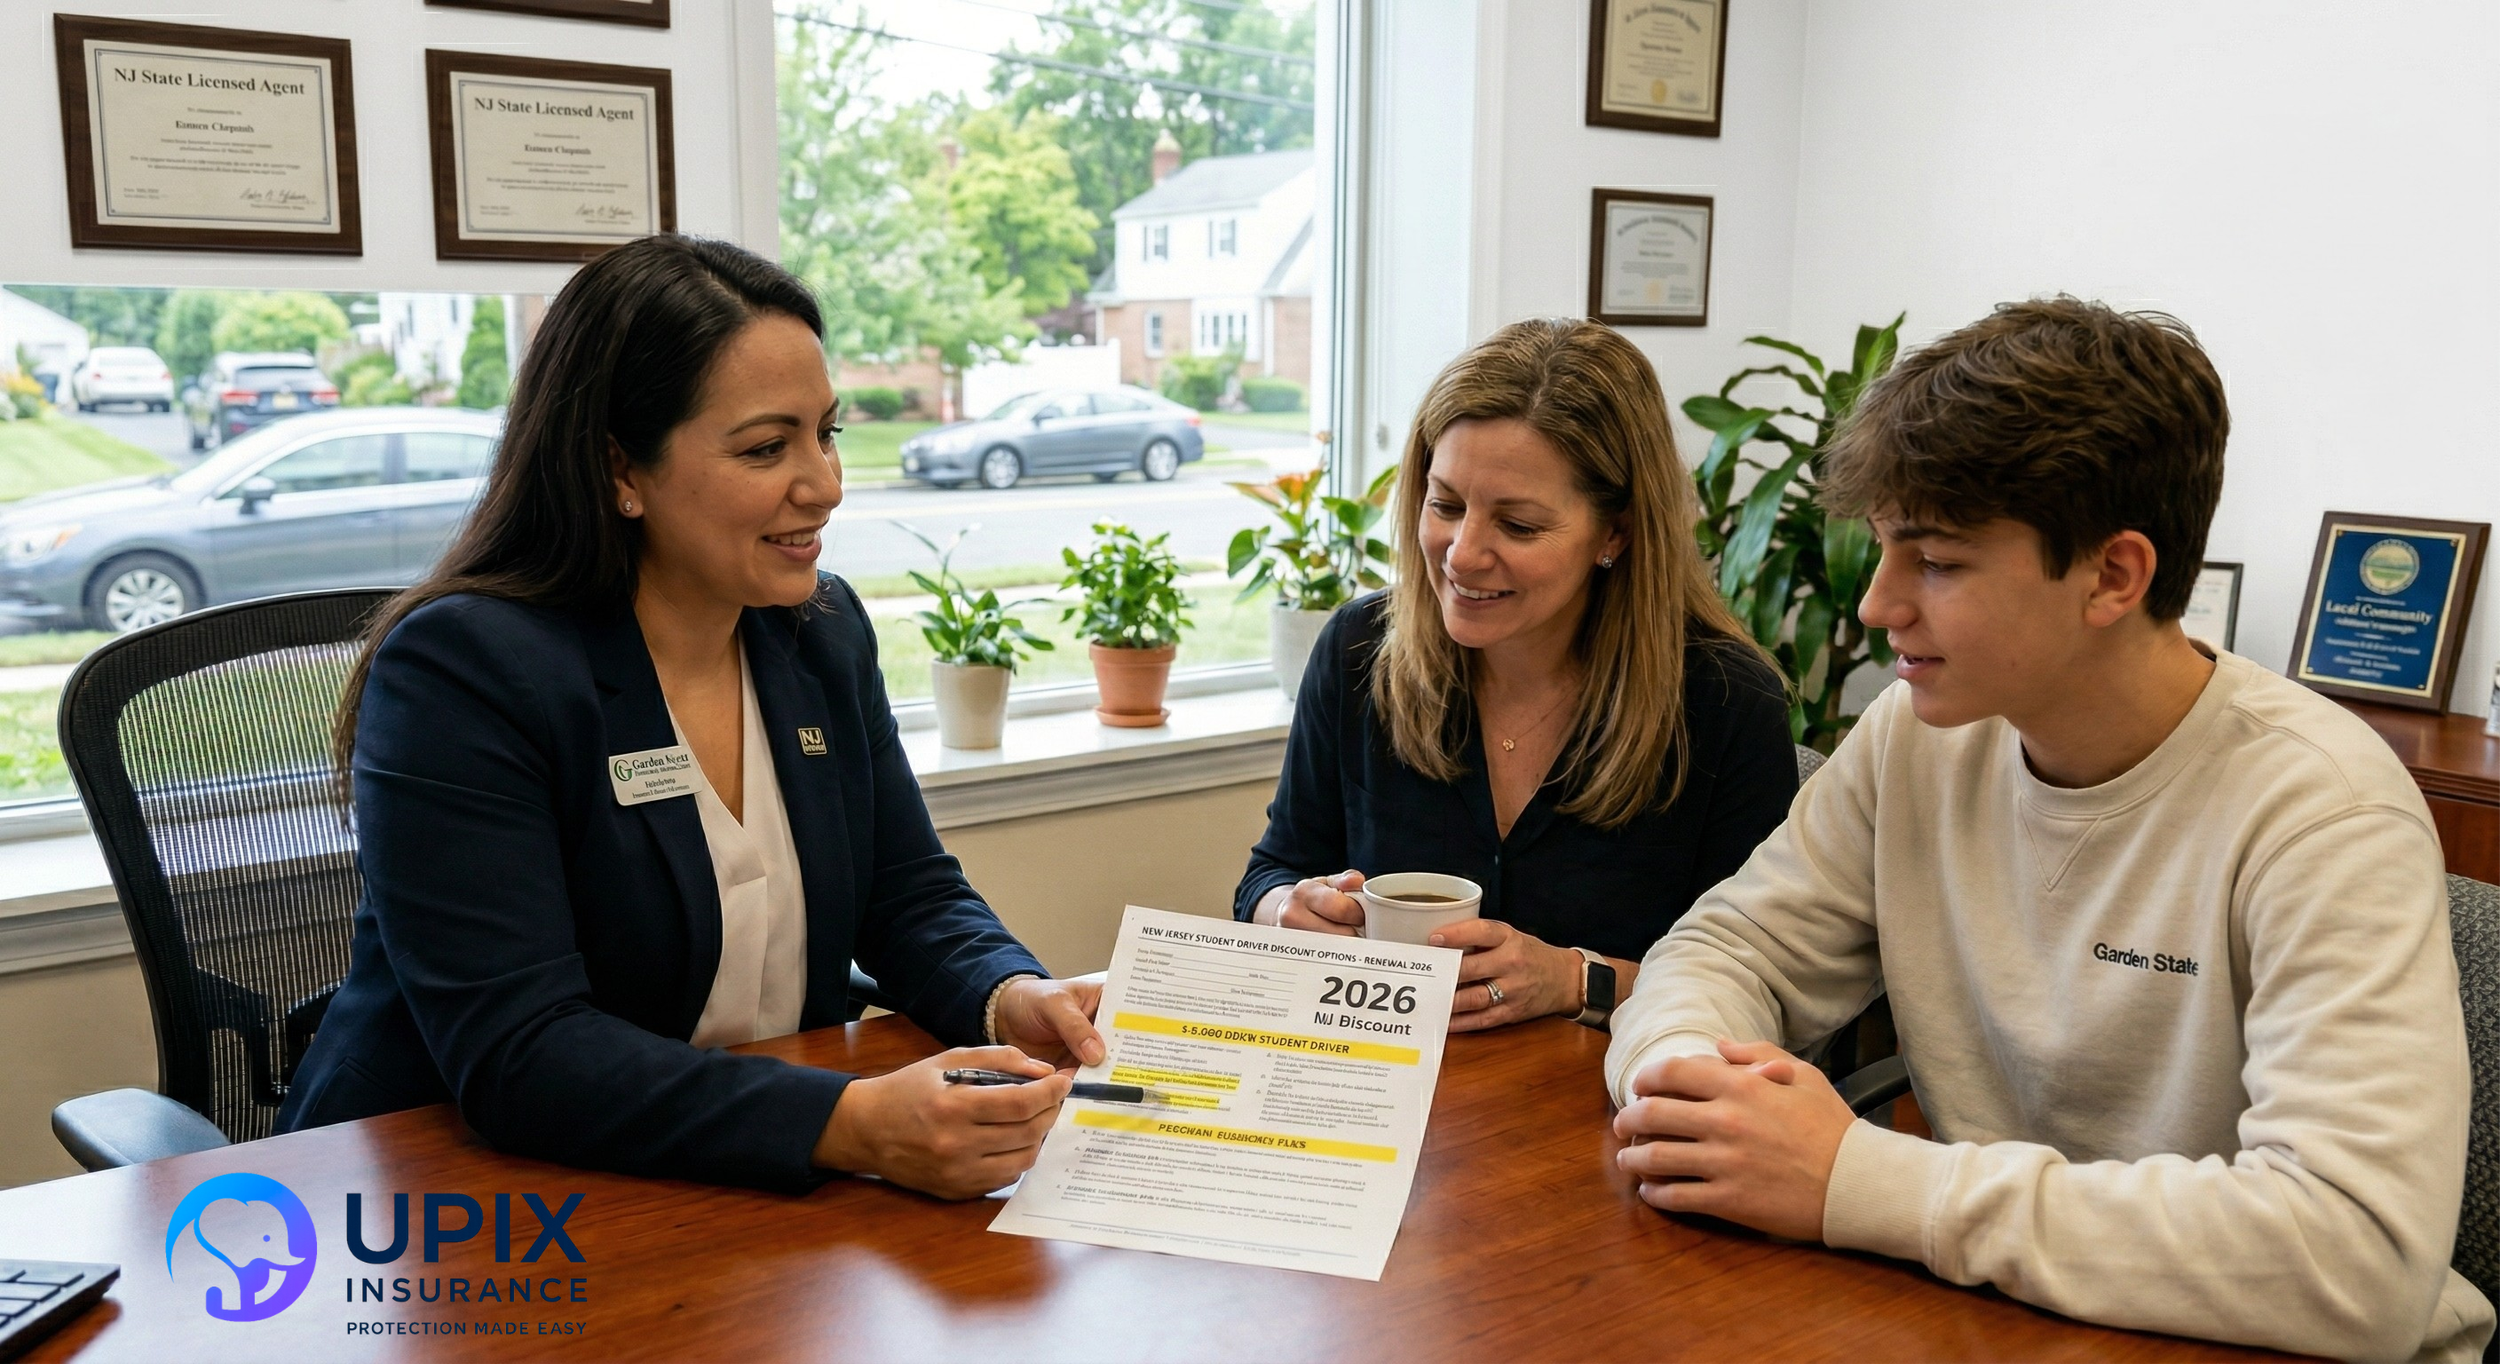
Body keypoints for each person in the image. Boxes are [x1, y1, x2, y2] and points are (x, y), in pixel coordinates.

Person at [1605, 297, 2494, 1361]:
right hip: (2018, 1314)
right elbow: (1727, 946)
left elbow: (2358, 1257)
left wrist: (1865, 1181)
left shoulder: (2322, 811)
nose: (1880, 603)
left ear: (2113, 575)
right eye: (1884, 547)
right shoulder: (1916, 736)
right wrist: (1684, 1079)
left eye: (1935, 561)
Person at [278, 235, 1103, 1200]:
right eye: (766, 447)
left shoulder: (818, 633)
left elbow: (907, 894)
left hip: (735, 1182)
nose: (825, 484)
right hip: (449, 1201)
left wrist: (1009, 998)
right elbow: (522, 1053)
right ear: (618, 467)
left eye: (826, 433)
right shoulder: (465, 670)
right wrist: (851, 1123)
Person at [1235, 319, 1796, 1032]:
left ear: (1616, 533)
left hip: (1607, 1113)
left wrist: (1574, 979)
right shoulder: (1358, 649)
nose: (1462, 555)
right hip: (1384, 1100)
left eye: (1519, 526)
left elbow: (1759, 985)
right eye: (1445, 506)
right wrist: (1287, 907)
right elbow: (1271, 870)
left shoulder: (1724, 701)